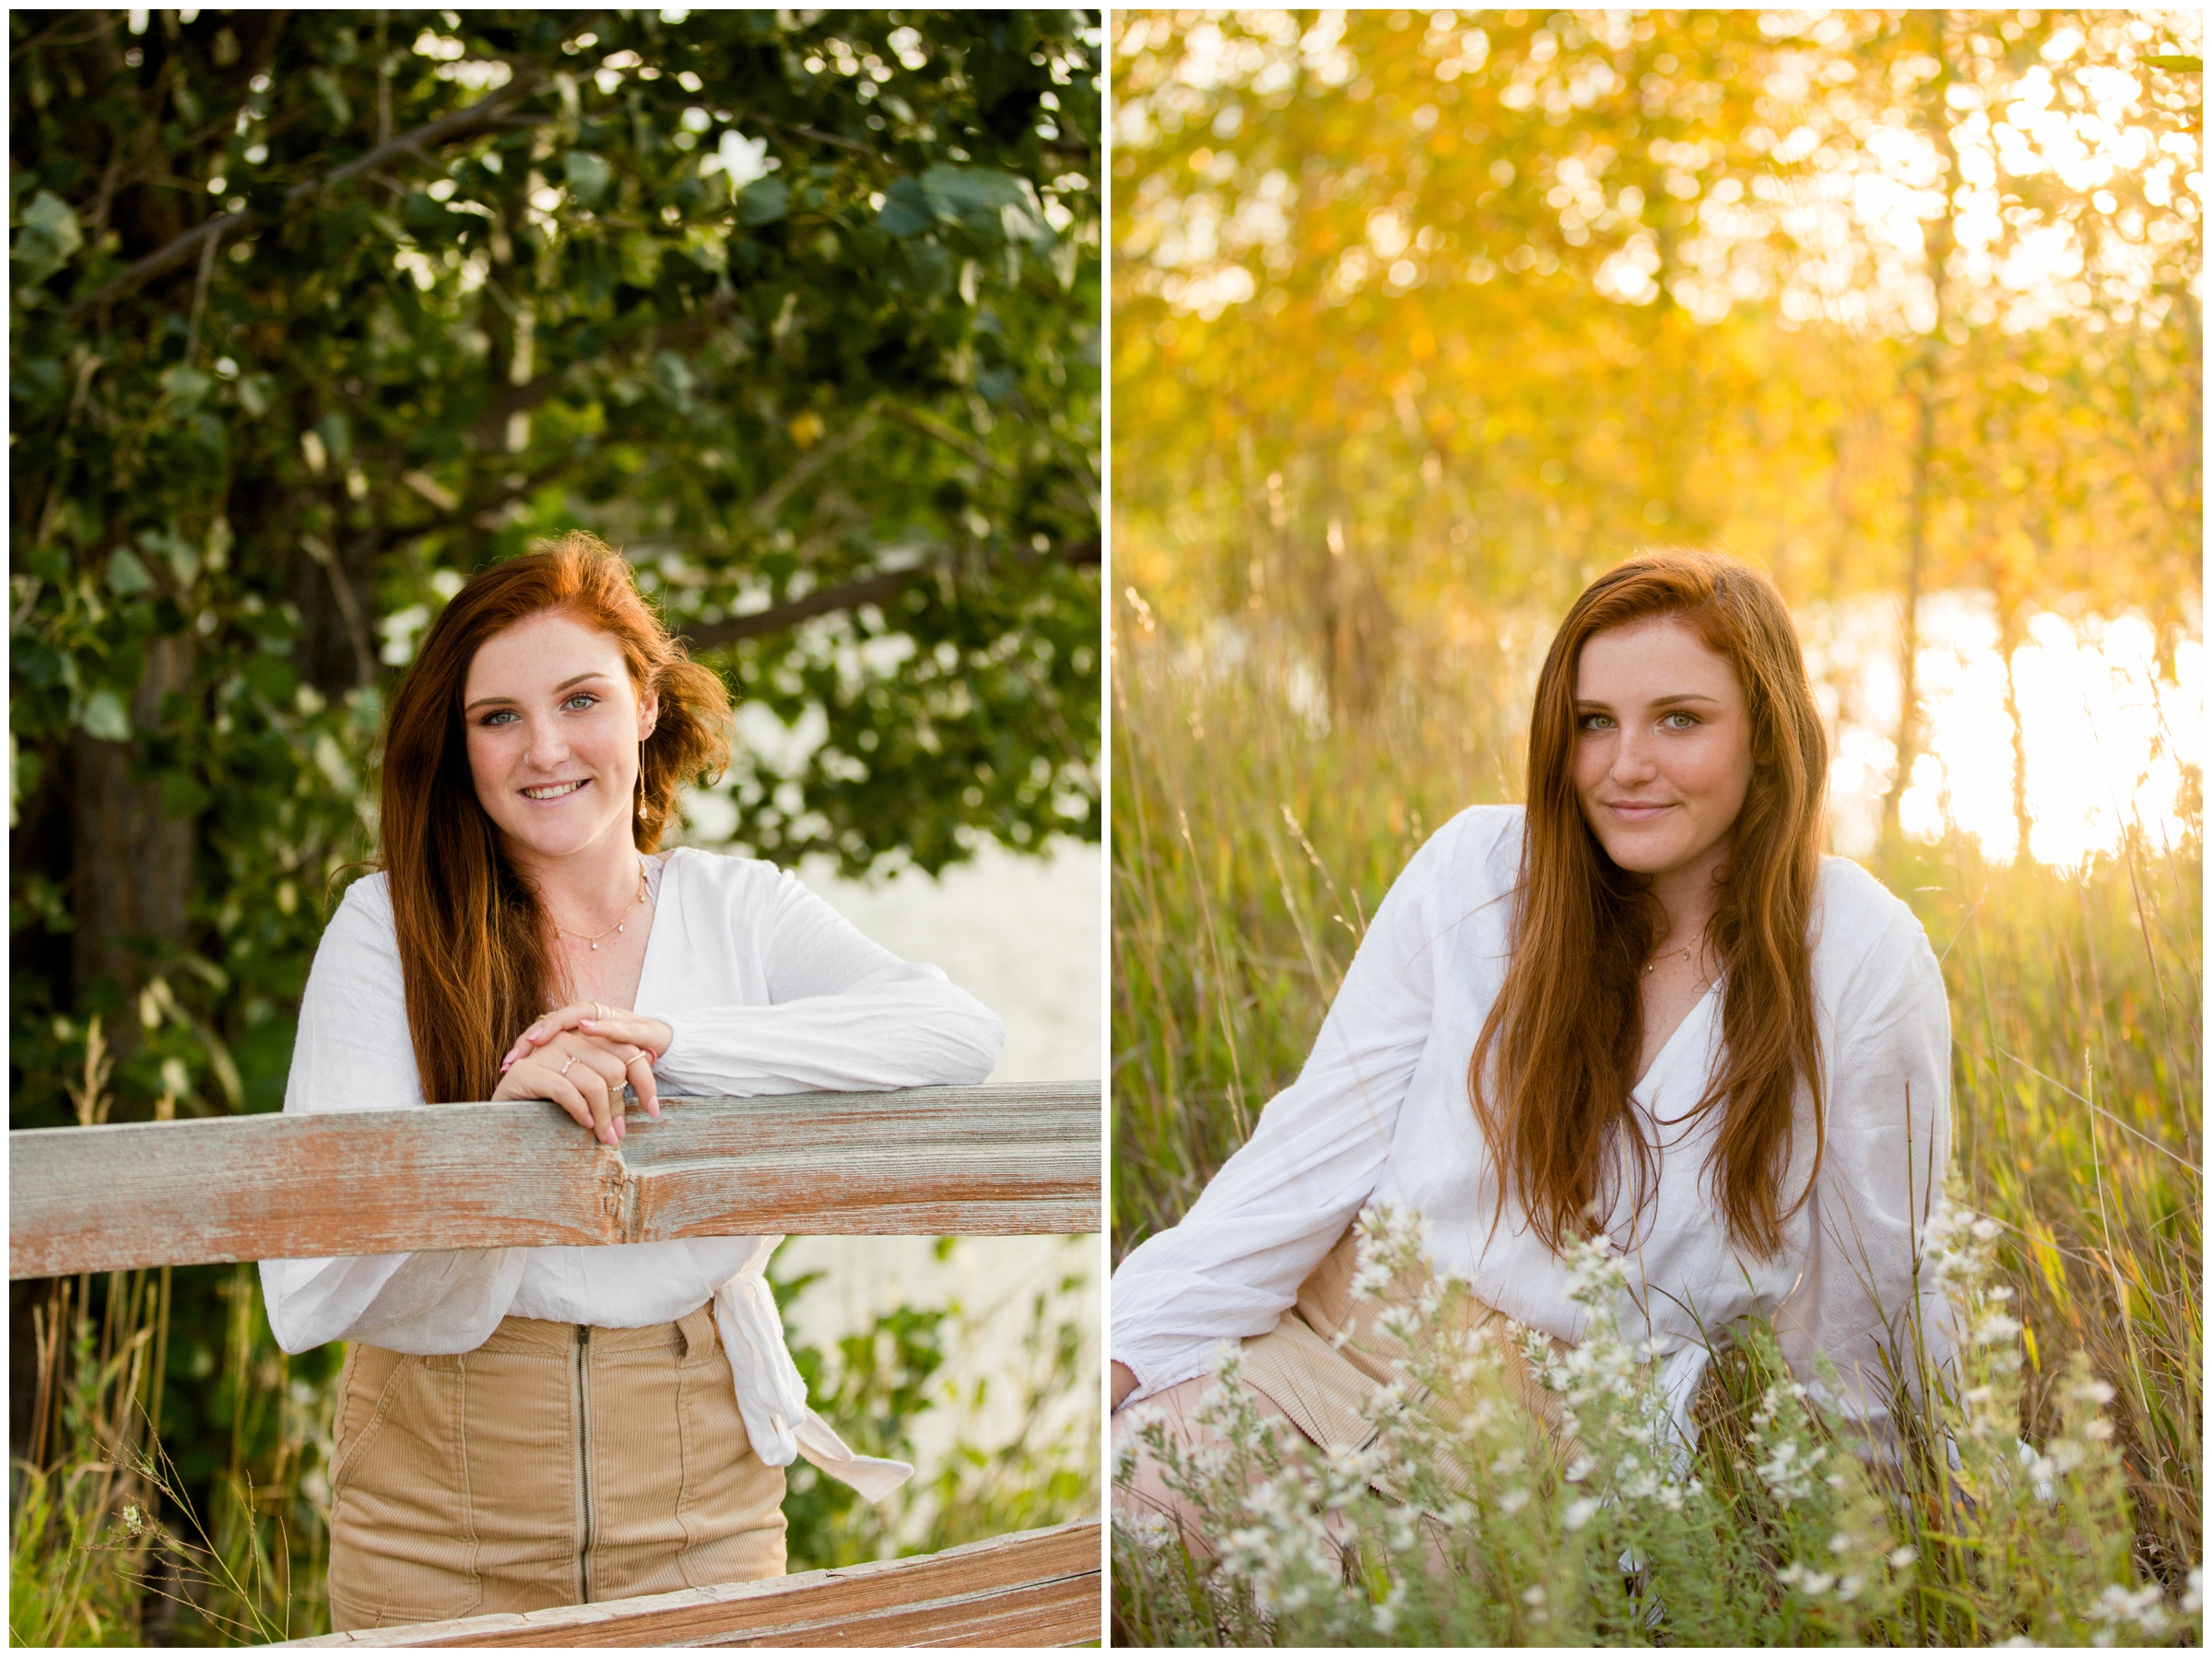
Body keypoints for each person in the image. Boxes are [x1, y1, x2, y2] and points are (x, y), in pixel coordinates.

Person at [1109, 549, 1954, 1545]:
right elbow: (1302, 1160)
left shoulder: (1859, 953)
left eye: (1679, 719)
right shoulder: (1477, 870)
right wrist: (1116, 1358)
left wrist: (1888, 1554)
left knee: (1317, 1610)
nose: (1624, 763)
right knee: (1120, 1531)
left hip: (1544, 1460)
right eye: (1594, 722)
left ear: (1767, 737)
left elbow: (1871, 1296)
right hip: (1325, 1352)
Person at [258, 534, 1005, 1630]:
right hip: (442, 1482)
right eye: (498, 717)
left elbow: (956, 1032)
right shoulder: (387, 930)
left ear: (646, 705)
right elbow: (323, 1255)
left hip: (699, 1468)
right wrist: (497, 1142)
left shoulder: (738, 908)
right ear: (457, 744)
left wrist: (667, 1043)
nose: (545, 748)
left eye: (581, 700)